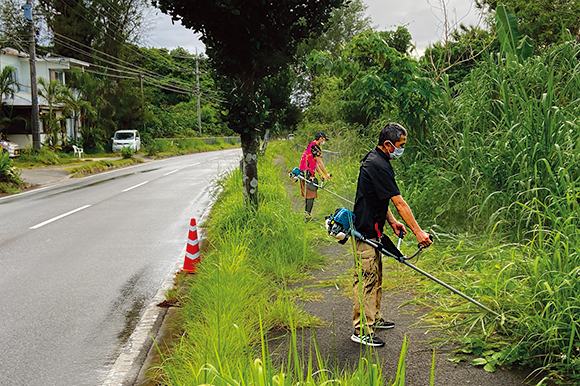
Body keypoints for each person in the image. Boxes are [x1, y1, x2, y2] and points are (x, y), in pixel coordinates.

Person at [351, 122, 432, 347]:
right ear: (388, 144)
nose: (401, 149)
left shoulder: (378, 159)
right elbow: (399, 202)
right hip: (365, 231)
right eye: (400, 145)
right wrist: (418, 232)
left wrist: (393, 222)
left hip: (375, 230)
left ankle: (374, 319)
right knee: (365, 281)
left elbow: (380, 198)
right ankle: (361, 330)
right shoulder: (377, 164)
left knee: (375, 277)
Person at [299, 132, 332, 220]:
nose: (324, 142)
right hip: (308, 173)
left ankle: (307, 215)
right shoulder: (316, 147)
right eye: (324, 140)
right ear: (321, 138)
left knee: (310, 195)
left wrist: (320, 174)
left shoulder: (311, 145)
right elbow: (319, 162)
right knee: (311, 196)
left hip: (306, 172)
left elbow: (314, 162)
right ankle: (307, 217)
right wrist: (326, 174)